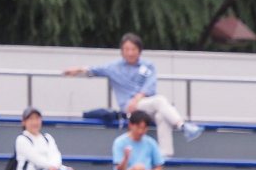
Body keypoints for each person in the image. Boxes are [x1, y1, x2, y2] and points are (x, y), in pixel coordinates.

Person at [63, 33, 202, 155]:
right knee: (160, 101)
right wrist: (78, 70)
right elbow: (94, 70)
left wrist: (138, 97)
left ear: (139, 51)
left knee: (162, 115)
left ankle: (165, 154)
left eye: (133, 49)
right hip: (129, 108)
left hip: (147, 105)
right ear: (122, 51)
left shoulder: (148, 65)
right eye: (127, 49)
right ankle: (183, 126)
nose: (130, 53)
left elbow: (151, 85)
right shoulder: (113, 67)